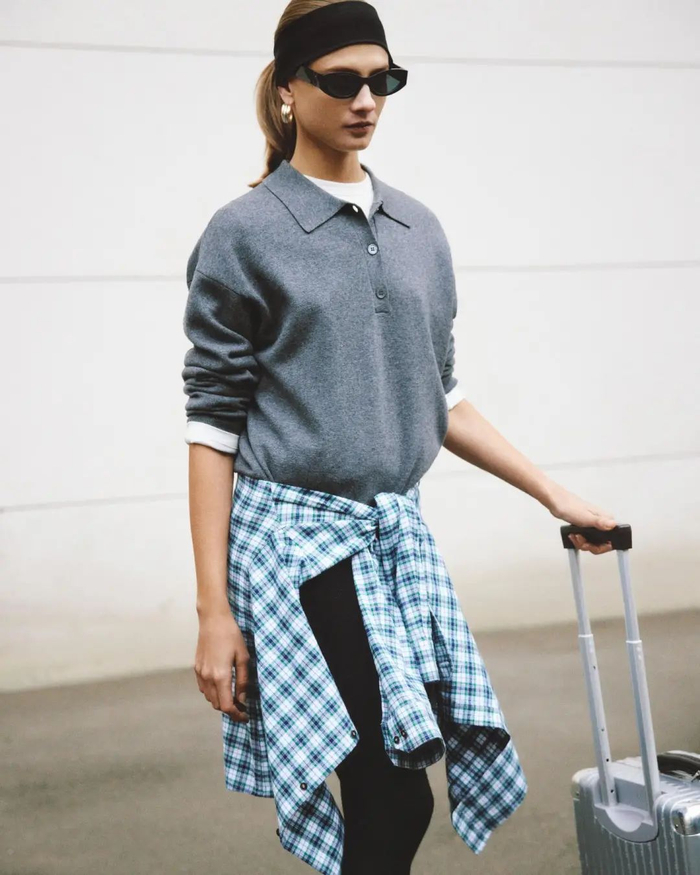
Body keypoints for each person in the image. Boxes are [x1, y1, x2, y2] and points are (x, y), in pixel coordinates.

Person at [182, 2, 619, 872]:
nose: (366, 100)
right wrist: (213, 612)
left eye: (383, 79)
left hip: (392, 543)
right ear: (288, 90)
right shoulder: (244, 234)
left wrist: (554, 493)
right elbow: (211, 427)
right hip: (295, 548)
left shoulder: (419, 229)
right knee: (393, 791)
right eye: (341, 80)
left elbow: (441, 397)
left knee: (396, 785)